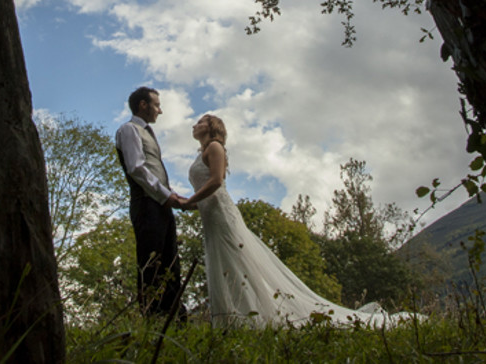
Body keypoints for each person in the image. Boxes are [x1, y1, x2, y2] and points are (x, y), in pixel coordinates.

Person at [183, 114, 416, 328]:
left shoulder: (215, 147)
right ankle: (229, 320)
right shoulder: (201, 153)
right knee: (222, 264)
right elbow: (206, 193)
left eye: (201, 121)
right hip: (210, 217)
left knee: (236, 264)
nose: (195, 125)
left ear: (213, 127)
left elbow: (216, 182)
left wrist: (188, 201)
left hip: (222, 216)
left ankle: (252, 319)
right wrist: (184, 203)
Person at [115, 87, 189, 319]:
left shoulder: (147, 132)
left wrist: (172, 195)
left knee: (171, 263)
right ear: (143, 105)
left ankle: (175, 320)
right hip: (146, 205)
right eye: (157, 105)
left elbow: (152, 169)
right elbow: (136, 168)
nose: (160, 110)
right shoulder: (129, 130)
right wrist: (165, 195)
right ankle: (154, 319)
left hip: (160, 204)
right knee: (152, 263)